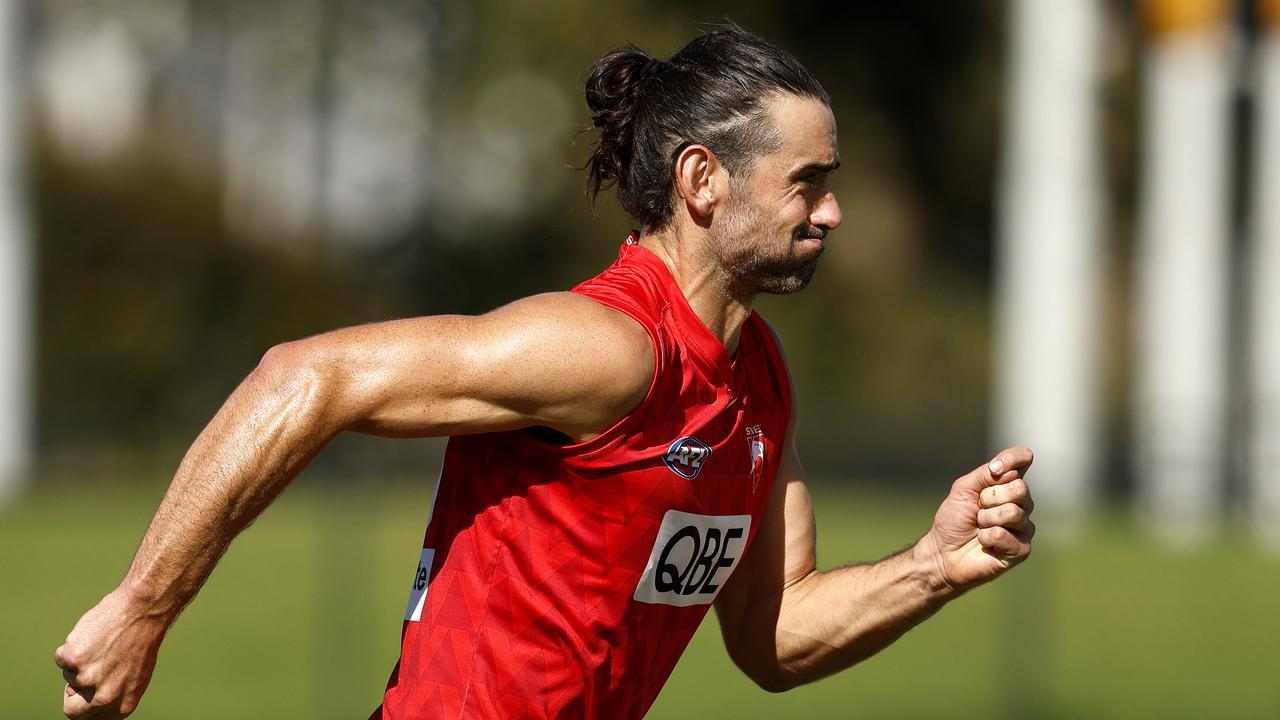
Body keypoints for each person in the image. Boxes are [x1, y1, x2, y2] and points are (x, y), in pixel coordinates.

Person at [54, 24, 1035, 720]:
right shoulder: (604, 349)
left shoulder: (756, 380)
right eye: (806, 182)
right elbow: (302, 378)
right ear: (702, 181)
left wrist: (929, 569)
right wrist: (141, 611)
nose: (829, 214)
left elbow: (769, 639)